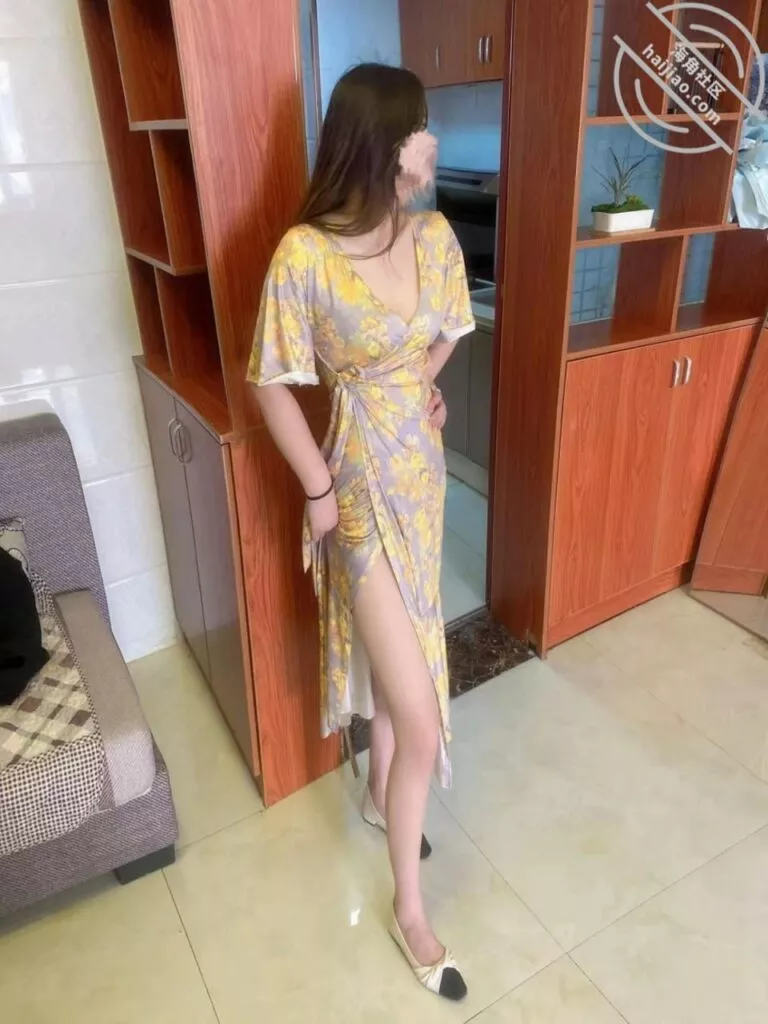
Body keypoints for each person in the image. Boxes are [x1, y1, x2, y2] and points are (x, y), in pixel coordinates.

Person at [247, 63, 475, 1001]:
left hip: (423, 482)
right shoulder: (305, 254)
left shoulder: (434, 234)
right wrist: (315, 488)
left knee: (402, 659)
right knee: (417, 712)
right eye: (421, 129)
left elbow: (449, 327)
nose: (432, 144)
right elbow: (270, 381)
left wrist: (420, 383)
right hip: (359, 496)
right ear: (383, 143)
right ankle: (408, 909)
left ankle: (385, 801)